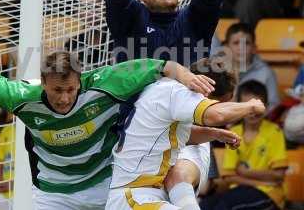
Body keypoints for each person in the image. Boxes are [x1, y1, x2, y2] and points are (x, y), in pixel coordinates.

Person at [0, 51, 214, 210]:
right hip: (53, 192)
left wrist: (186, 76)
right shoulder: (21, 95)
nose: (64, 98)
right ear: (43, 82)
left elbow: (160, 65)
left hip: (103, 183)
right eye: (57, 90)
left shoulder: (104, 83)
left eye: (70, 89)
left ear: (80, 81)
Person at [106, 0, 223, 208]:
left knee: (178, 178)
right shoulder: (132, 17)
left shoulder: (193, 20)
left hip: (188, 131)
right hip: (137, 135)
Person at [106, 58, 267, 210]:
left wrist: (214, 134)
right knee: (179, 175)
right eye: (221, 102)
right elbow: (216, 115)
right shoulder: (178, 93)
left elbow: (176, 135)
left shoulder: (164, 89)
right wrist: (251, 106)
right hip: (134, 196)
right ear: (206, 95)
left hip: (147, 193)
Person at [200, 80, 288, 210]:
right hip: (239, 190)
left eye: (257, 106)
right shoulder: (234, 132)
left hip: (269, 194)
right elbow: (229, 177)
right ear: (240, 107)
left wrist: (244, 172)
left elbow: (278, 175)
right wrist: (261, 181)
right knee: (205, 205)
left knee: (225, 207)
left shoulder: (275, 132)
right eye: (248, 106)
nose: (253, 112)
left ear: (267, 106)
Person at [223, 22, 280, 108]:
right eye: (236, 43)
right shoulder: (218, 71)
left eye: (246, 43)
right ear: (226, 47)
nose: (241, 48)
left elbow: (273, 106)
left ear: (254, 48)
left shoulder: (266, 73)